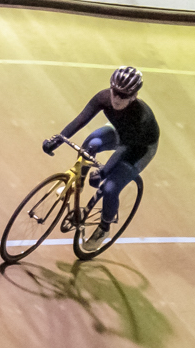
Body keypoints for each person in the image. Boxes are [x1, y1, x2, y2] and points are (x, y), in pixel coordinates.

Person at [42, 66, 159, 248]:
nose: (117, 98)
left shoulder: (140, 117)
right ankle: (77, 185)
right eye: (115, 92)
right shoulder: (104, 97)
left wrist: (103, 172)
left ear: (134, 96)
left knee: (111, 187)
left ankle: (104, 228)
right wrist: (57, 140)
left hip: (139, 147)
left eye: (123, 95)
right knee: (92, 144)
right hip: (120, 131)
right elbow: (81, 119)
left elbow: (125, 149)